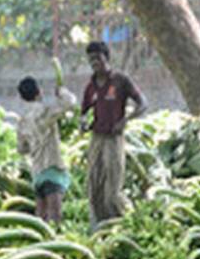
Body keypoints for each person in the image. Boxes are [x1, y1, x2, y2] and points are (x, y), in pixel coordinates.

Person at [80, 41, 146, 230]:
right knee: (94, 185)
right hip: (96, 139)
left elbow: (143, 104)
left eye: (98, 58)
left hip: (113, 139)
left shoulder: (120, 80)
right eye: (91, 59)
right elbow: (83, 113)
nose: (95, 62)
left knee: (113, 188)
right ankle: (99, 228)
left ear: (106, 57)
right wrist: (83, 123)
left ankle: (125, 224)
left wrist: (126, 120)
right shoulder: (90, 86)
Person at [16, 76, 77, 224]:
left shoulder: (22, 121)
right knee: (55, 216)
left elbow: (21, 149)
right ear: (39, 92)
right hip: (52, 168)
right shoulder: (45, 111)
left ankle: (39, 244)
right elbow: (70, 103)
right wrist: (62, 91)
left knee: (41, 217)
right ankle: (54, 244)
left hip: (37, 173)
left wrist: (34, 142)